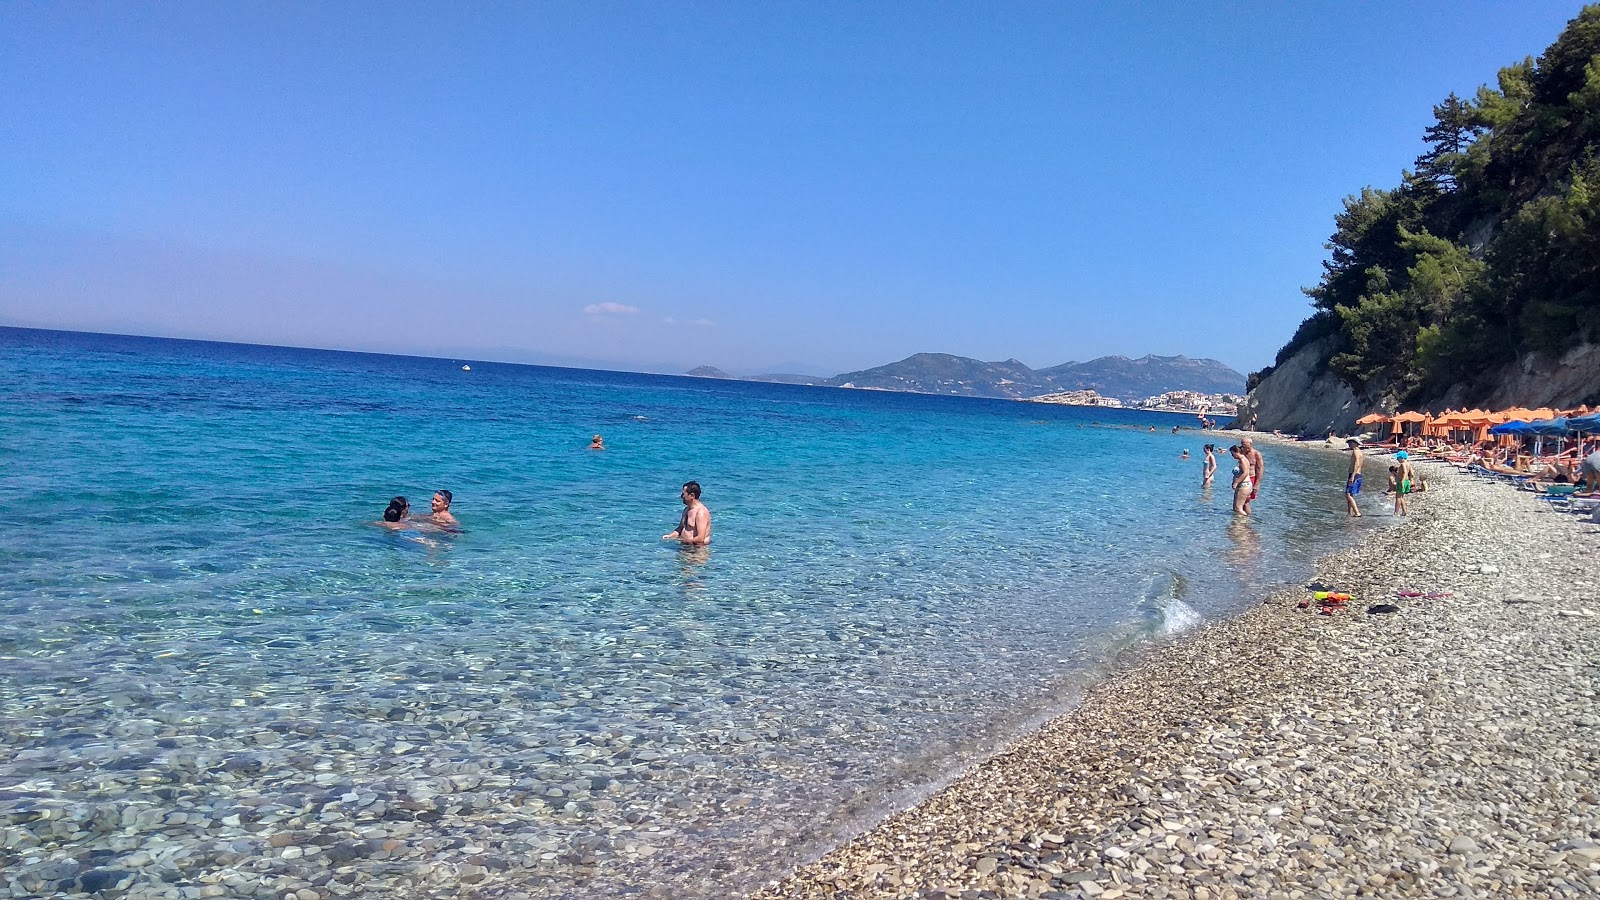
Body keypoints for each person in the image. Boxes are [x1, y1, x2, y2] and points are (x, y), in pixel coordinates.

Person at [663, 480, 712, 545]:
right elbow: (680, 529)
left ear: (692, 495)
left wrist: (684, 541)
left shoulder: (701, 512)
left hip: (697, 551)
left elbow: (700, 538)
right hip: (686, 547)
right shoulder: (686, 510)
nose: (681, 497)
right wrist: (670, 536)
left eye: (683, 494)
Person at [1241, 437, 1265, 514]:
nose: (1243, 447)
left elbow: (1260, 469)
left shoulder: (1256, 454)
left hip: (1251, 479)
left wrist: (1257, 485)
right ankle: (1240, 519)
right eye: (1242, 445)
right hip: (1242, 478)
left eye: (1245, 445)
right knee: (1240, 501)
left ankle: (1247, 519)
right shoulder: (1242, 452)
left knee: (1246, 501)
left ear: (1250, 444)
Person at [1228, 445, 1253, 516]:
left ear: (1236, 452)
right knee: (1238, 507)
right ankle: (1243, 521)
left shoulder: (1242, 460)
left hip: (1244, 485)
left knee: (1237, 508)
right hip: (1244, 485)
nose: (1232, 456)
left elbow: (1245, 473)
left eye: (1232, 454)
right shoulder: (1241, 460)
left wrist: (1236, 482)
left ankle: (1244, 522)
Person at [1344, 439, 1364, 517]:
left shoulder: (1356, 452)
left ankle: (1357, 512)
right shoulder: (1361, 452)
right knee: (1350, 494)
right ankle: (1349, 513)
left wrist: (1352, 475)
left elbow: (1357, 464)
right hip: (1358, 475)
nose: (1349, 445)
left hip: (1354, 475)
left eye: (1350, 443)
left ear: (1354, 443)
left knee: (1347, 495)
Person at [1394, 451, 1414, 516]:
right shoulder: (1408, 464)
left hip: (1401, 482)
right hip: (1407, 481)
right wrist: (1411, 480)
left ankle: (1395, 513)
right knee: (1402, 497)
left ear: (1402, 458)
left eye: (1398, 458)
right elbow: (1412, 474)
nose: (1397, 459)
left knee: (1398, 497)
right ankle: (1404, 511)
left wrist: (1402, 481)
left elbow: (1405, 472)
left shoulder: (1403, 464)